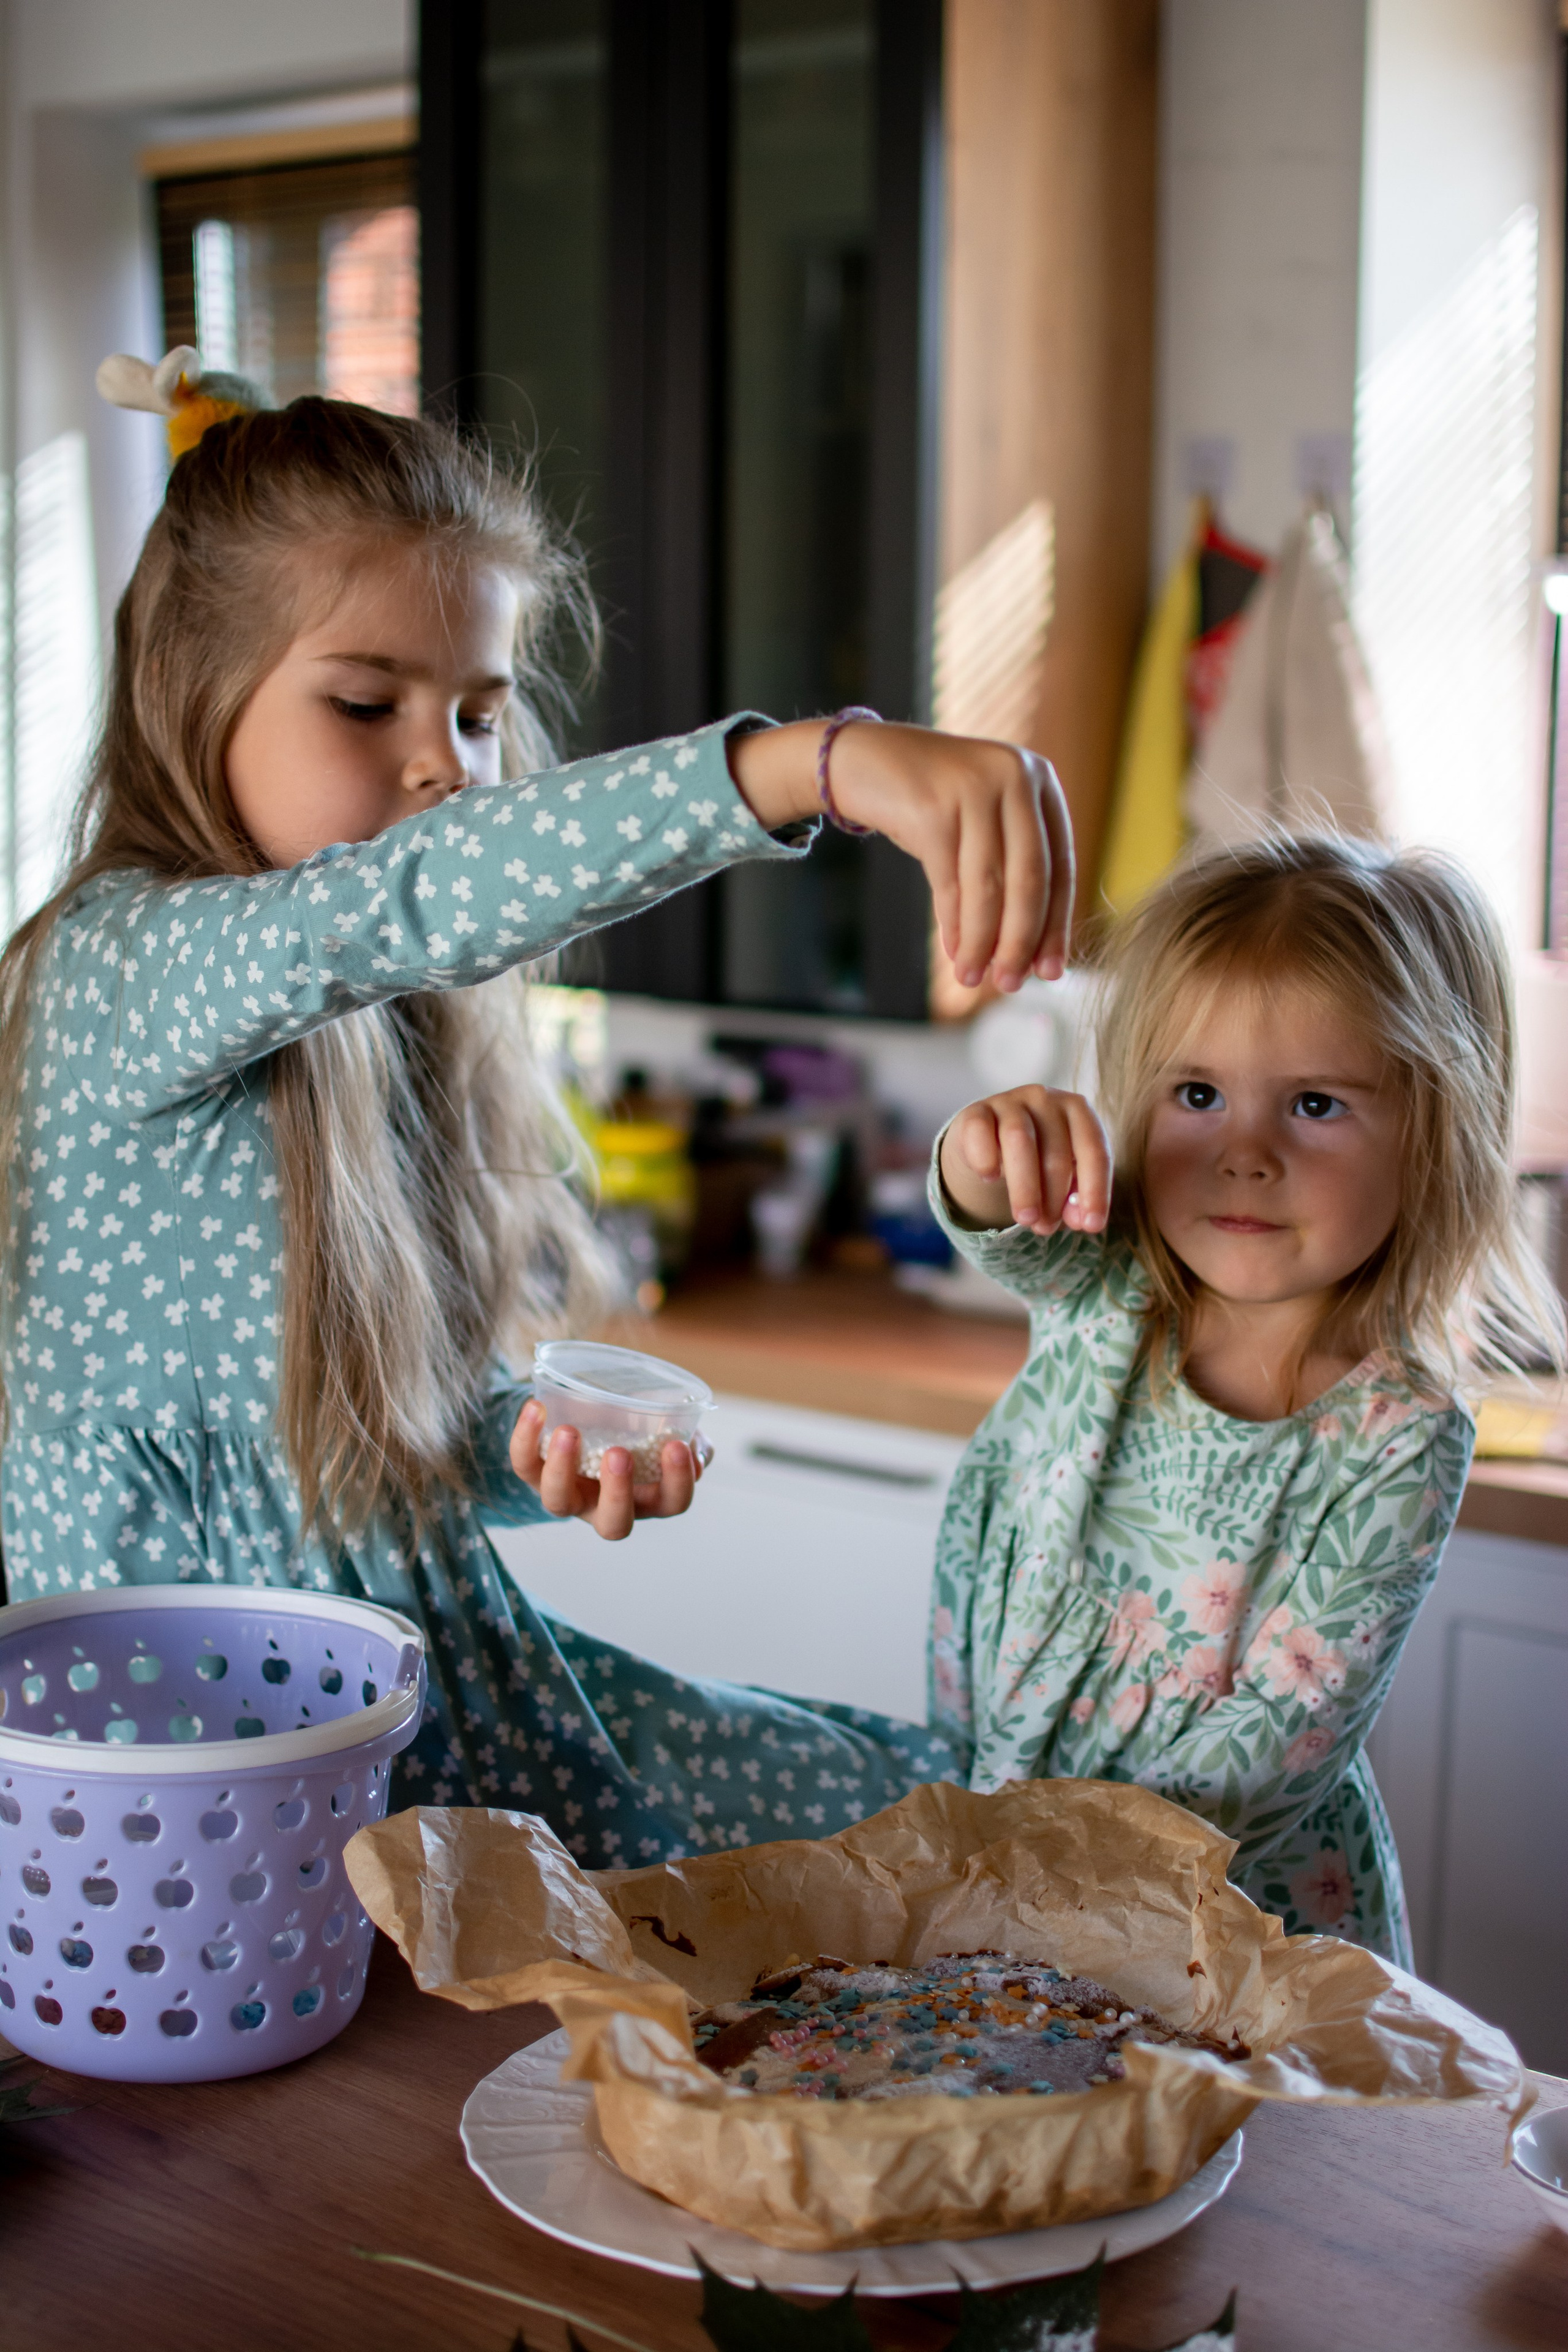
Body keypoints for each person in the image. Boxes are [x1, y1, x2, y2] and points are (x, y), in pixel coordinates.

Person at [0, 378, 1067, 1858]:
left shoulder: (370, 1031)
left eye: (480, 714)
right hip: (205, 1798)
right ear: (191, 687)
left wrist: (530, 1451)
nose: (443, 760)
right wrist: (805, 763)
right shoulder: (116, 966)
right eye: (366, 703)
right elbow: (391, 905)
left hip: (425, 1724)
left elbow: (350, 1471)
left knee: (928, 1814)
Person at [926, 834, 1566, 1964]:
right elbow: (994, 1225)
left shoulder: (1401, 1436)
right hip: (1007, 1841)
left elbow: (1283, 1740)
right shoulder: (1108, 1283)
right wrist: (989, 1148)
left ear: (1435, 1136)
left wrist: (1068, 1885)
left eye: (1316, 1104)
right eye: (1199, 1093)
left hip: (1225, 1909)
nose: (1244, 1153)